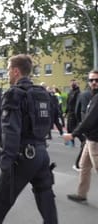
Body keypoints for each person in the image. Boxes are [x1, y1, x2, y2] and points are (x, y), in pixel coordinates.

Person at [0, 54, 58, 224]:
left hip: (22, 156)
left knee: (1, 200)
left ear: (16, 71)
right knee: (45, 197)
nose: (8, 74)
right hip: (41, 154)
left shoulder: (14, 94)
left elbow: (11, 131)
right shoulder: (42, 93)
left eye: (9, 70)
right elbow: (49, 121)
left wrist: (5, 162)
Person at [63, 70, 98, 203]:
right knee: (84, 166)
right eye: (91, 80)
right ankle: (82, 194)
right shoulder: (92, 96)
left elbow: (89, 120)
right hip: (90, 139)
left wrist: (73, 134)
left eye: (96, 80)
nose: (94, 82)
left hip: (96, 140)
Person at [64, 79, 82, 147]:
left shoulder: (77, 92)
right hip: (70, 112)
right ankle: (71, 142)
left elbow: (77, 103)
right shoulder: (70, 92)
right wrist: (65, 112)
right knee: (69, 128)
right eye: (71, 82)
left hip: (74, 113)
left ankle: (82, 140)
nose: (72, 84)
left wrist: (77, 113)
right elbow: (68, 103)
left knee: (73, 128)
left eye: (73, 83)